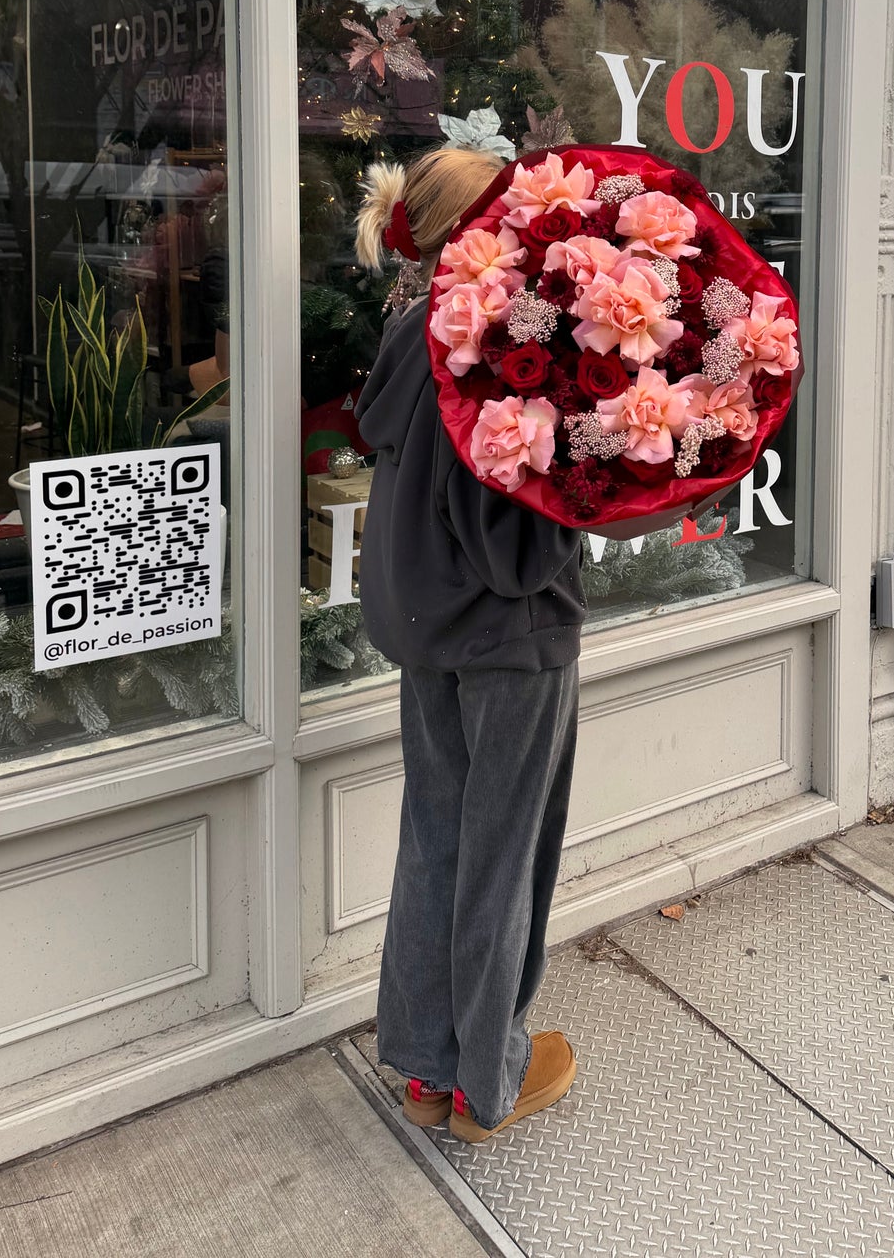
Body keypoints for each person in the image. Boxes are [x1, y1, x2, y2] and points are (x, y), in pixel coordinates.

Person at [353, 144, 585, 1144]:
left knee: (435, 843)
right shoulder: (490, 345)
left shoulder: (408, 333)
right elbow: (515, 542)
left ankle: (422, 1062)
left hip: (426, 631)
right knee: (501, 859)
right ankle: (482, 1083)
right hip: (510, 636)